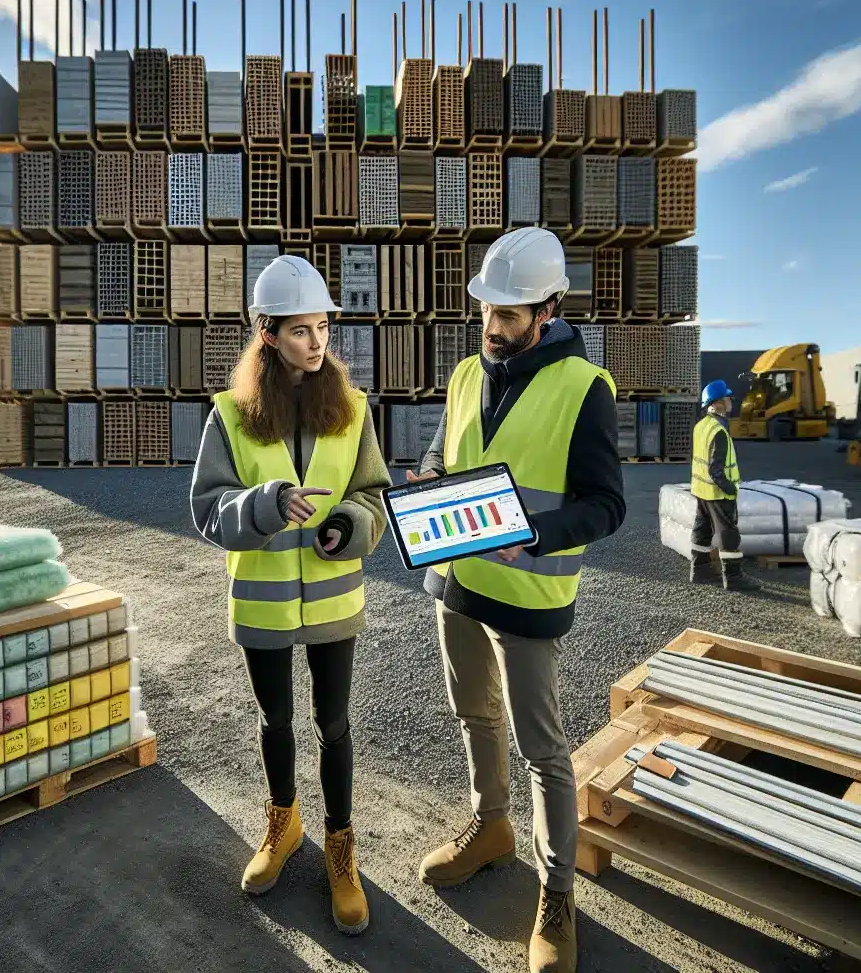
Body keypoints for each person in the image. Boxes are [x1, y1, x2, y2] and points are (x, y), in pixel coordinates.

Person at [407, 227, 625, 973]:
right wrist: (426, 481)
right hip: (457, 580)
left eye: (509, 314)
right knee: (474, 714)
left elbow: (606, 504)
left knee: (544, 751)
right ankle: (490, 827)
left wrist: (539, 531)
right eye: (487, 312)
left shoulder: (585, 390)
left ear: (550, 308)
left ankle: (557, 896)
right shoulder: (469, 371)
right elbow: (445, 450)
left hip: (528, 594)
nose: (493, 328)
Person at [189, 254, 391, 936]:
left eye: (324, 327)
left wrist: (350, 525)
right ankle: (283, 826)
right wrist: (268, 505)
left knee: (334, 726)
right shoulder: (230, 416)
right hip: (263, 603)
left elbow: (372, 500)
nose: (317, 342)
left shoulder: (354, 410)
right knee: (275, 724)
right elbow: (208, 510)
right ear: (266, 333)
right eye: (300, 330)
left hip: (335, 603)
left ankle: (340, 846)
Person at [690, 380, 759, 591]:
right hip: (718, 492)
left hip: (701, 490)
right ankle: (734, 579)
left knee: (701, 531)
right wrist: (729, 487)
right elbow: (715, 469)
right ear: (718, 402)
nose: (731, 401)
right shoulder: (718, 431)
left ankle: (699, 571)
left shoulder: (701, 426)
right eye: (728, 398)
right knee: (728, 534)